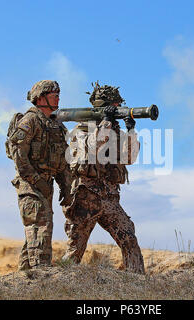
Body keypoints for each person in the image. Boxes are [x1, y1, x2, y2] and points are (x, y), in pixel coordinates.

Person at [62, 82, 145, 274]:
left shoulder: (117, 133)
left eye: (118, 106)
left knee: (129, 239)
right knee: (75, 249)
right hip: (86, 196)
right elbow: (94, 148)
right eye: (113, 106)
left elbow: (129, 158)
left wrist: (131, 131)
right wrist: (106, 123)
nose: (117, 109)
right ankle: (59, 281)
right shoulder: (82, 129)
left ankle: (137, 281)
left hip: (109, 197)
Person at [8, 80, 72, 271]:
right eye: (54, 95)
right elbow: (18, 155)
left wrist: (66, 186)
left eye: (58, 94)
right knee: (39, 227)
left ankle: (27, 276)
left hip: (46, 184)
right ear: (40, 98)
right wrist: (36, 180)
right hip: (30, 184)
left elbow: (62, 159)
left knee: (40, 228)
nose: (58, 98)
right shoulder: (30, 121)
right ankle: (40, 272)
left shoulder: (55, 125)